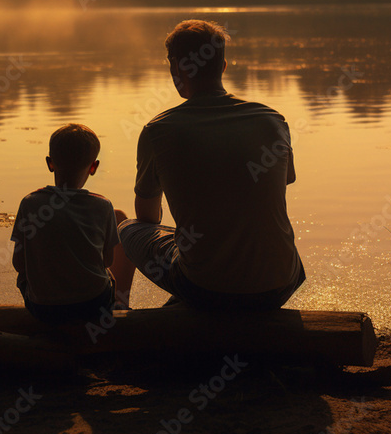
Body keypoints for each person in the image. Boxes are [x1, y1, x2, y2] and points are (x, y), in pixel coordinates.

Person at [110, 19, 305, 310]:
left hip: (208, 288)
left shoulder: (158, 130)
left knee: (126, 228)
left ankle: (119, 307)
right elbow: (282, 181)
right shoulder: (272, 119)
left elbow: (148, 217)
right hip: (281, 282)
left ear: (176, 67)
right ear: (223, 66)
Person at [11, 123, 128, 324]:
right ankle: (120, 305)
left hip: (43, 310)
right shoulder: (103, 206)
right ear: (94, 167)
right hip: (92, 306)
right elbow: (107, 261)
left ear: (50, 163)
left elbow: (18, 263)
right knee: (109, 271)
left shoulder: (30, 203)